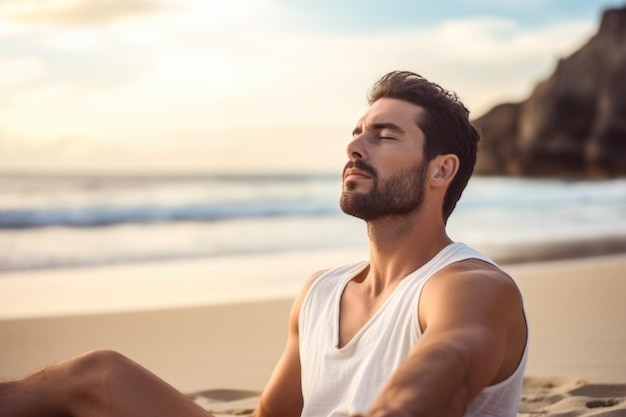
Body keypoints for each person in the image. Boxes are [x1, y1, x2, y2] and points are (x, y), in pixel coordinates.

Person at [0, 71, 528, 417]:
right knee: (100, 372)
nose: (354, 145)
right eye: (357, 132)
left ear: (441, 170)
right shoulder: (321, 293)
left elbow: (442, 375)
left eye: (384, 136)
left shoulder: (470, 287)